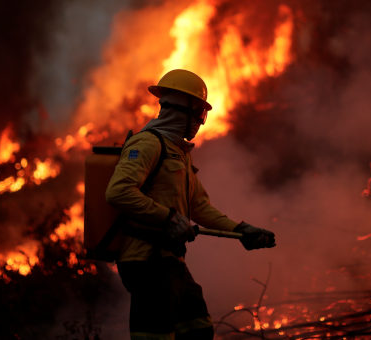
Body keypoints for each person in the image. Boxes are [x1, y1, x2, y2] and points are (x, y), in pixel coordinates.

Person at [105, 69, 276, 340]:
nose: (201, 121)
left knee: (198, 327)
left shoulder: (179, 154)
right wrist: (168, 219)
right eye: (199, 113)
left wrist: (241, 230)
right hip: (145, 262)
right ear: (180, 110)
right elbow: (119, 192)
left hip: (169, 260)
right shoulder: (148, 144)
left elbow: (199, 207)